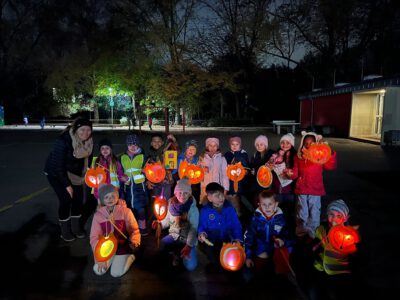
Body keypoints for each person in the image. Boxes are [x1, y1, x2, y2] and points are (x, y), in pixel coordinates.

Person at [44, 117, 94, 241]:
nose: (85, 133)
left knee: (78, 200)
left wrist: (90, 172)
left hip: (74, 173)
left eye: (88, 130)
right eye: (82, 130)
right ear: (76, 129)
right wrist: (67, 185)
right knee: (66, 199)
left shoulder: (89, 142)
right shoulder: (63, 141)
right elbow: (58, 166)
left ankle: (76, 228)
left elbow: (88, 160)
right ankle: (65, 231)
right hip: (56, 173)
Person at [287, 131, 337, 240]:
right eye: (306, 143)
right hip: (302, 188)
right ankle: (301, 231)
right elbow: (295, 173)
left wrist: (331, 153)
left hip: (315, 189)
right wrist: (289, 173)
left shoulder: (320, 156)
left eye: (311, 143)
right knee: (302, 211)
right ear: (302, 144)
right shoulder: (298, 157)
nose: (308, 145)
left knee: (315, 211)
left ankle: (313, 233)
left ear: (316, 143)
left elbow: (330, 166)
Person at [311, 199, 359, 299]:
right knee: (315, 294)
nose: (334, 219)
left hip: (338, 274)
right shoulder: (321, 229)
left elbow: (354, 254)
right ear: (326, 215)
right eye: (331, 214)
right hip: (320, 270)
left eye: (339, 216)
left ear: (345, 218)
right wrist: (316, 246)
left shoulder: (347, 235)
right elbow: (313, 247)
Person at [90, 184, 140, 277]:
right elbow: (94, 237)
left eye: (113, 196)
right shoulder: (98, 215)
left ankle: (130, 257)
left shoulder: (126, 211)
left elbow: (134, 230)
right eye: (106, 197)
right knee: (98, 270)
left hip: (121, 246)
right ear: (102, 199)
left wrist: (134, 241)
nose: (110, 199)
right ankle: (112, 259)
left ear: (117, 197)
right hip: (107, 248)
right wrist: (99, 259)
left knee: (115, 273)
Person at [152, 177, 199, 271]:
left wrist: (189, 246)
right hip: (174, 235)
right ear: (175, 193)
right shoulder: (170, 204)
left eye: (185, 193)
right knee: (162, 245)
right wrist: (160, 224)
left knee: (191, 266)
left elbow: (193, 229)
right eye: (180, 192)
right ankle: (175, 254)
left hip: (187, 239)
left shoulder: (193, 209)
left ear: (189, 193)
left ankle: (183, 253)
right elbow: (167, 220)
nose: (182, 195)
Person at [244, 190, 292, 275]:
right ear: (259, 205)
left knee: (281, 265)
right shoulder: (255, 219)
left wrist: (282, 241)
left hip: (276, 249)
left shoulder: (281, 219)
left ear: (276, 204)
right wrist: (248, 257)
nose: (267, 207)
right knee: (259, 270)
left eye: (270, 204)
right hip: (261, 249)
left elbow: (289, 236)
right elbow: (248, 237)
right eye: (264, 205)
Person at [198, 182, 242, 270]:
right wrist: (202, 233)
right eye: (217, 196)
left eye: (222, 194)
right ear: (210, 198)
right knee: (214, 260)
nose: (221, 198)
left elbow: (236, 225)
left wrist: (238, 238)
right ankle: (215, 262)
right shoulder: (205, 211)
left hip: (228, 239)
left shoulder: (230, 209)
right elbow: (202, 225)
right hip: (212, 240)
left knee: (231, 261)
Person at [120, 134, 149, 236]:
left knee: (141, 209)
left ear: (138, 145)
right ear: (127, 145)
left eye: (135, 144)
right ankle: (132, 228)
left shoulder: (143, 156)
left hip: (139, 188)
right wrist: (121, 177)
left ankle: (143, 227)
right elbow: (119, 171)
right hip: (127, 188)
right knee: (130, 210)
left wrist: (146, 172)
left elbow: (149, 169)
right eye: (130, 144)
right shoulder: (122, 157)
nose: (132, 146)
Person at [224, 136, 251, 218]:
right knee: (233, 196)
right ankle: (234, 212)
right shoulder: (227, 154)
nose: (235, 146)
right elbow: (225, 166)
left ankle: (246, 211)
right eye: (232, 144)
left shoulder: (243, 154)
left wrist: (246, 171)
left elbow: (246, 166)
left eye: (237, 144)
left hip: (241, 181)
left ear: (240, 145)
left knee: (241, 197)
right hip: (230, 180)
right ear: (230, 145)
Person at [199, 138, 229, 205]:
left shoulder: (222, 158)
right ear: (207, 146)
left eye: (215, 145)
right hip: (205, 188)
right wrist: (201, 170)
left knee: (217, 205)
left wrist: (225, 189)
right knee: (205, 206)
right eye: (210, 145)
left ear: (218, 147)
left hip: (218, 187)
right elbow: (197, 173)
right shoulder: (202, 158)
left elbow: (225, 175)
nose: (212, 148)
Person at [249, 135, 274, 206]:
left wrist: (256, 170)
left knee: (264, 200)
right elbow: (252, 165)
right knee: (256, 200)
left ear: (265, 145)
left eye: (261, 144)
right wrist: (251, 170)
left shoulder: (270, 155)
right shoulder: (255, 155)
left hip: (265, 183)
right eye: (257, 145)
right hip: (255, 183)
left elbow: (265, 168)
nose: (259, 146)